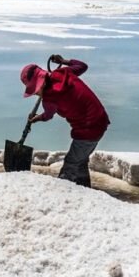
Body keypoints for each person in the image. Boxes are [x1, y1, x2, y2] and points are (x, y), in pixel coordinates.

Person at [20, 55, 110, 187]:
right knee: (80, 160)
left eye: (35, 90)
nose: (36, 93)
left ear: (41, 84)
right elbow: (82, 66)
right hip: (100, 120)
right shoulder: (63, 72)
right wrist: (64, 62)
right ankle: (85, 189)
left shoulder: (49, 98)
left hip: (87, 129)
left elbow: (48, 115)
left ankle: (63, 192)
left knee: (71, 164)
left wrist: (38, 118)